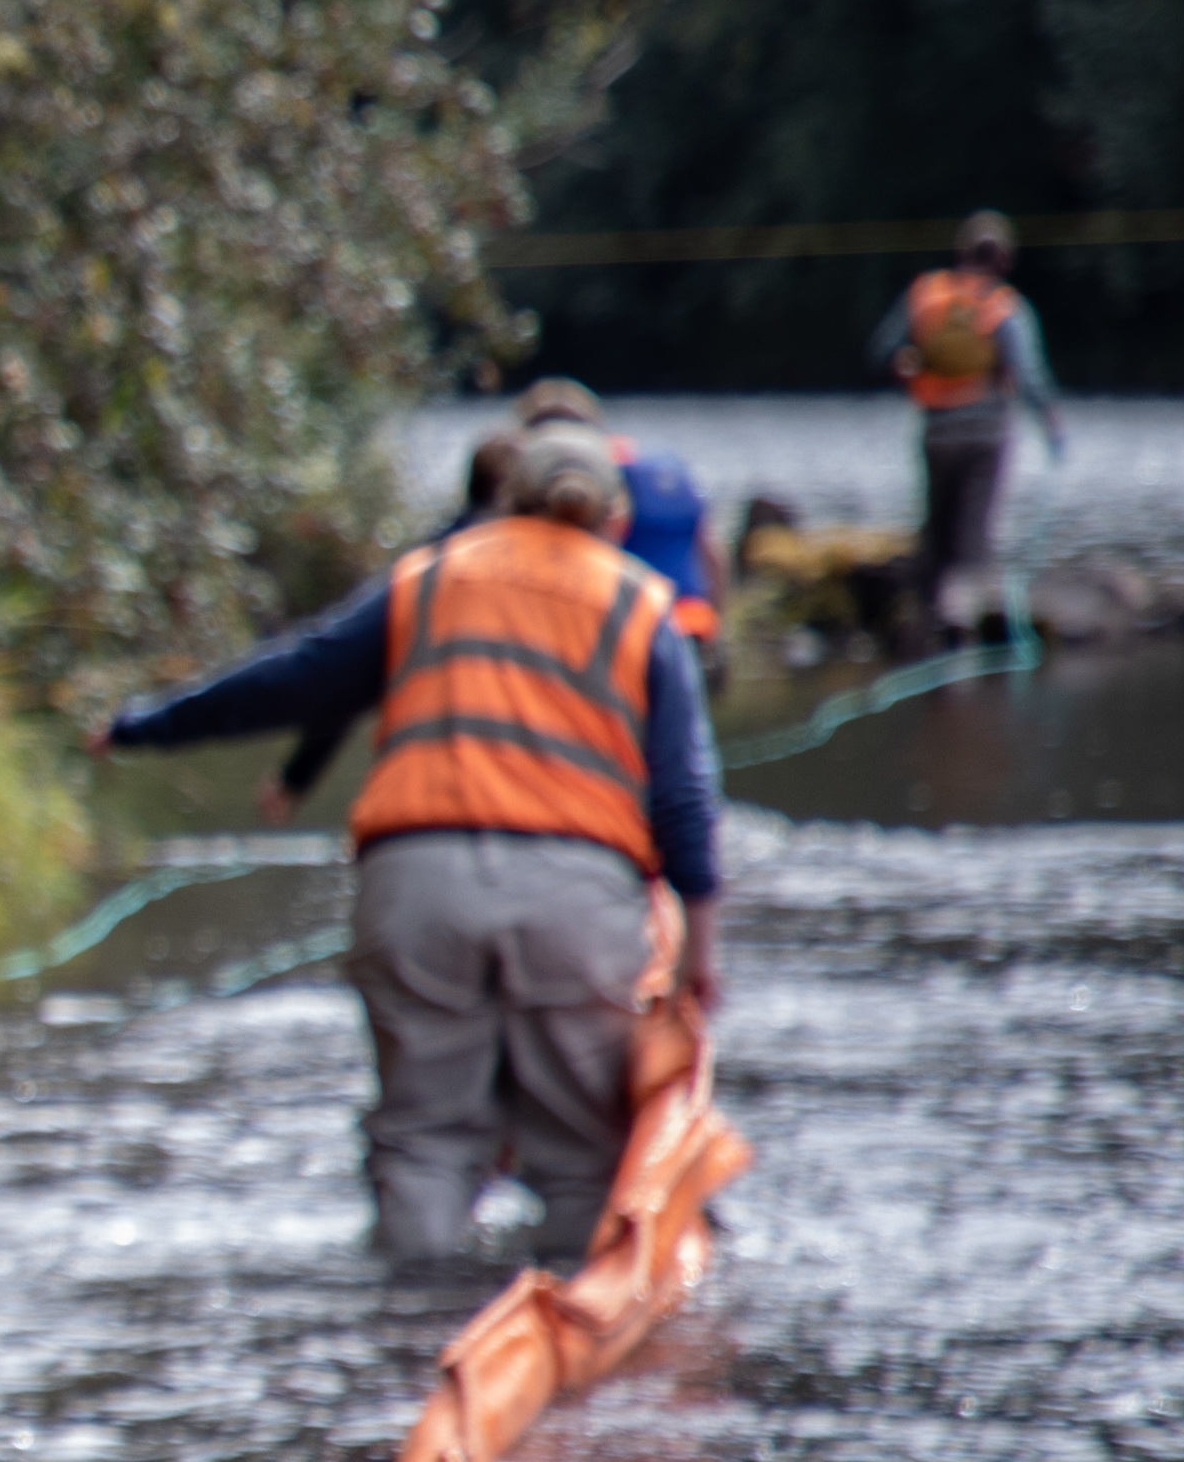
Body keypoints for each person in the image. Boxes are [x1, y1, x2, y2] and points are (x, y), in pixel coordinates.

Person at [92, 427, 725, 1263]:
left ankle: (403, 1347)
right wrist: (701, 953)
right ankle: (576, 1356)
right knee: (582, 1158)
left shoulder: (429, 578)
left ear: (504, 502)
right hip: (575, 895)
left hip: (415, 884)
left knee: (425, 1142)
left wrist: (144, 726)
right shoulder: (643, 604)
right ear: (613, 522)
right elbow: (684, 798)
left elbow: (291, 677)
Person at [866, 210, 1067, 629]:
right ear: (1004, 261)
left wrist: (908, 368)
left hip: (936, 430)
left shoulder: (925, 295)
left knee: (936, 528)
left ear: (961, 252)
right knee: (973, 532)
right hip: (986, 433)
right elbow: (1028, 376)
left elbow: (882, 351)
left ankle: (925, 617)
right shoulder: (1003, 308)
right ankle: (962, 619)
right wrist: (1051, 426)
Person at [515, 376, 727, 683]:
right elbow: (713, 557)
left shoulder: (581, 485)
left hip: (628, 634)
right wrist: (718, 630)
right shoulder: (670, 471)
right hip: (693, 625)